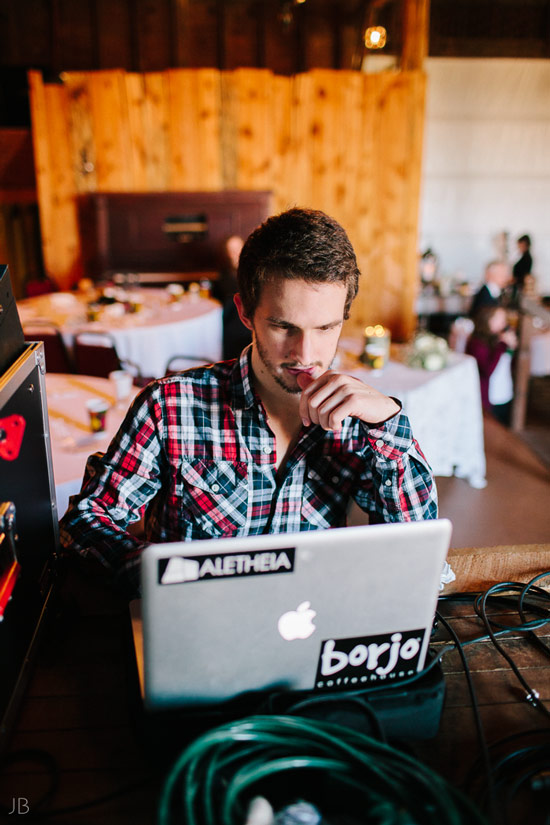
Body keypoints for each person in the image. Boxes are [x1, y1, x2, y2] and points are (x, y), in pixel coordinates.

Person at [59, 208, 438, 598]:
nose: (305, 353)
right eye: (283, 326)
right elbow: (85, 521)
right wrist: (166, 579)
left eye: (326, 328)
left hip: (308, 620)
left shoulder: (362, 422)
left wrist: (389, 422)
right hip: (194, 625)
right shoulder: (168, 406)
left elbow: (415, 547)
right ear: (245, 313)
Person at [466, 305, 517, 427]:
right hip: (489, 398)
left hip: (504, 391)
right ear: (488, 320)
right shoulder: (477, 343)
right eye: (500, 319)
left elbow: (507, 363)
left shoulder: (498, 338)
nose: (504, 323)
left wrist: (511, 347)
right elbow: (488, 370)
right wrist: (503, 344)